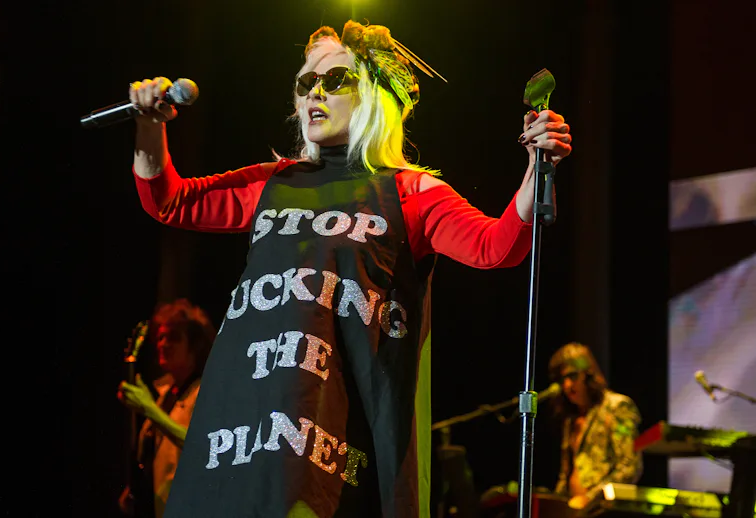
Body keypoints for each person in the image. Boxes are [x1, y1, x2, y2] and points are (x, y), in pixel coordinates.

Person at [127, 20, 572, 518]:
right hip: (244, 427)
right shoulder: (275, 183)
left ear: (375, 98)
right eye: (306, 82)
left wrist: (538, 168)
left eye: (335, 79)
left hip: (334, 436)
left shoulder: (412, 193)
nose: (314, 92)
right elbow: (170, 200)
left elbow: (496, 247)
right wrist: (149, 125)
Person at [117, 298, 216, 518]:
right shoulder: (165, 395)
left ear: (195, 347)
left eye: (173, 338)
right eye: (160, 337)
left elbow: (202, 446)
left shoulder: (206, 392)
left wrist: (150, 409)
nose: (163, 344)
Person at [548, 342, 643, 510]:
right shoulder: (571, 419)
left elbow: (630, 467)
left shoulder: (617, 406)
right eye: (562, 380)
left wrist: (589, 499)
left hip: (604, 510)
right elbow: (566, 474)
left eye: (573, 376)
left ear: (588, 374)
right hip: (573, 509)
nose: (568, 385)